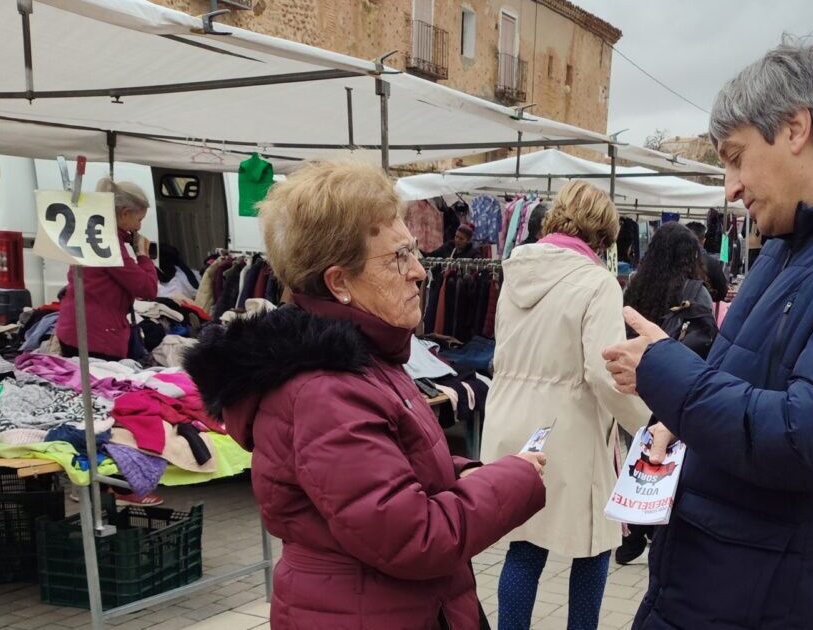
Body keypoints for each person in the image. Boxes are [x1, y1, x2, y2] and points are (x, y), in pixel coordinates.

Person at [601, 37, 813, 629]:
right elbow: (747, 385)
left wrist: (663, 371)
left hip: (760, 596)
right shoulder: (792, 244)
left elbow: (806, 438)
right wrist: (678, 423)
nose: (729, 187)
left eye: (735, 156)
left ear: (794, 128)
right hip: (714, 574)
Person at [184, 161, 547, 629]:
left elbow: (396, 466)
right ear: (339, 283)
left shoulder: (365, 358)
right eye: (399, 257)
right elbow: (414, 535)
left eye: (415, 252)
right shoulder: (325, 390)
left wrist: (481, 472)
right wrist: (514, 481)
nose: (420, 271)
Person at [480, 181, 652, 630]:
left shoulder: (515, 271)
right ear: (604, 236)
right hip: (571, 432)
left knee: (526, 544)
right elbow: (603, 370)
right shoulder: (597, 282)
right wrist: (647, 421)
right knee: (594, 544)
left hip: (511, 426)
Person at [615, 222, 718, 565]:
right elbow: (706, 341)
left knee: (636, 454)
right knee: (667, 458)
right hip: (675, 382)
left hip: (634, 383)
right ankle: (658, 528)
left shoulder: (635, 287)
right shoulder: (694, 289)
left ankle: (633, 531)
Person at [55, 178, 158, 361]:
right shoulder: (109, 244)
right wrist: (143, 255)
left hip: (73, 329)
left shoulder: (91, 232)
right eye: (139, 219)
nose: (139, 227)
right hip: (99, 337)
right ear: (125, 214)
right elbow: (147, 288)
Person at [686, 220, 731, 302]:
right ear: (704, 240)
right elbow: (722, 293)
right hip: (703, 309)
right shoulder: (712, 263)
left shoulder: (672, 260)